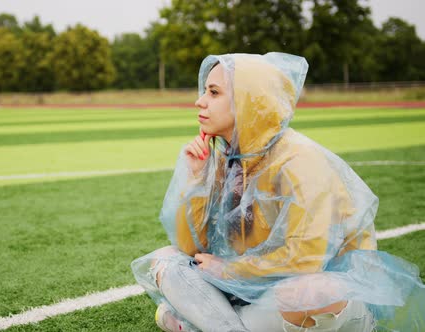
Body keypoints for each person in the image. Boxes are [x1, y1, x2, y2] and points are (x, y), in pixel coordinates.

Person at [131, 52, 425, 332]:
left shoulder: (298, 160)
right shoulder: (226, 159)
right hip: (252, 290)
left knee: (305, 294)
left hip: (317, 295)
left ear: (249, 101)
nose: (199, 101)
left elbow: (306, 258)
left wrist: (229, 271)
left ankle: (199, 322)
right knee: (166, 260)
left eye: (214, 92)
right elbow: (191, 248)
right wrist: (196, 181)